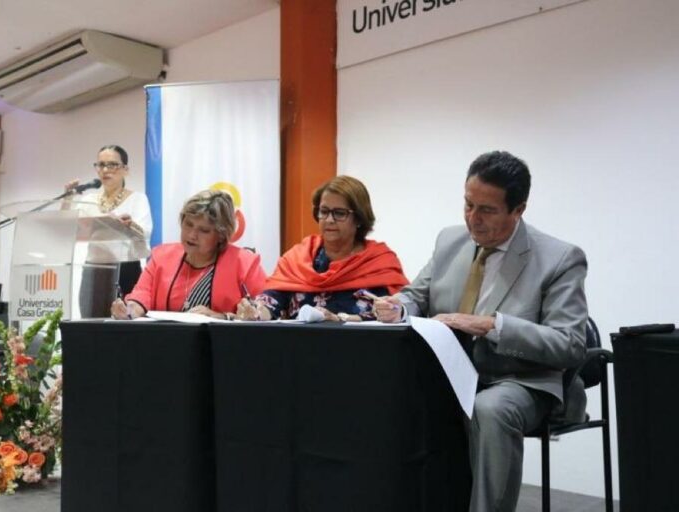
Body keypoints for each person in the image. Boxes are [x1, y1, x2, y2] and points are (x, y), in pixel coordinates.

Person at [374, 151, 588, 512]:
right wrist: (399, 307)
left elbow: (569, 344)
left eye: (487, 210)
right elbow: (416, 296)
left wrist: (492, 325)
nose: (473, 219)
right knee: (389, 394)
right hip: (450, 374)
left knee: (489, 408)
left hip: (518, 379)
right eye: (468, 205)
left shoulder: (559, 258)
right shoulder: (450, 241)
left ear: (518, 209)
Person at [236, 175, 408, 321]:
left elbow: (393, 313)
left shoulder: (379, 262)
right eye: (324, 211)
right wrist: (256, 311)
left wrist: (341, 319)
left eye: (339, 213)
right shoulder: (297, 258)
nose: (329, 220)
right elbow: (272, 302)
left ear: (359, 219)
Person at [111, 189, 267, 320]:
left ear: (221, 235)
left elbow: (263, 312)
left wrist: (221, 317)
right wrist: (129, 310)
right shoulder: (161, 256)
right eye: (188, 224)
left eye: (204, 230)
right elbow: (141, 295)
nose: (192, 235)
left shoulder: (245, 263)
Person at [64, 145, 153, 318]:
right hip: (94, 270)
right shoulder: (88, 200)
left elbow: (145, 233)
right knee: (92, 326)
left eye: (112, 165)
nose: (105, 170)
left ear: (125, 170)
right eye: (101, 165)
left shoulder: (137, 199)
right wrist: (67, 200)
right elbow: (67, 229)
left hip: (126, 269)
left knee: (125, 326)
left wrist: (130, 225)